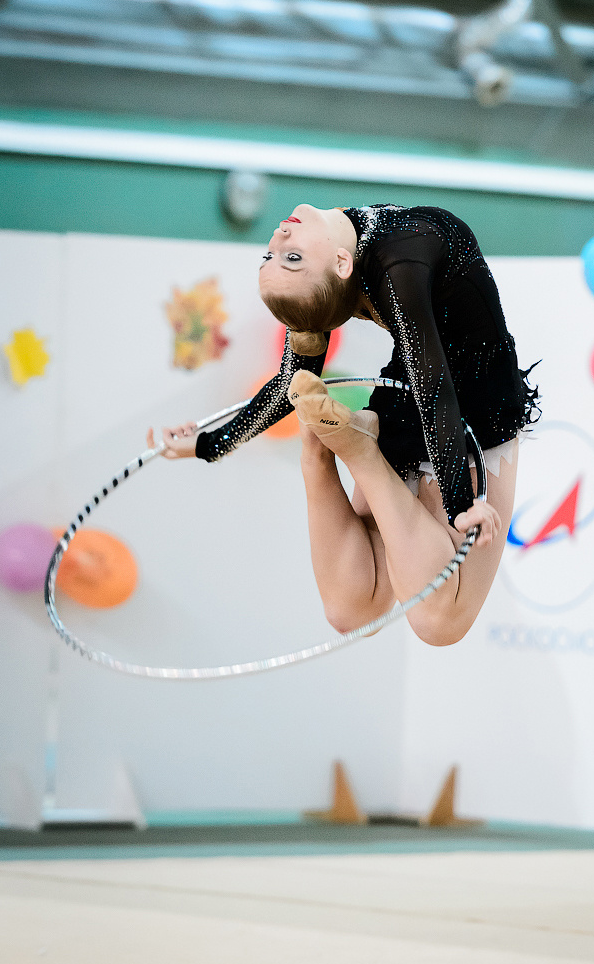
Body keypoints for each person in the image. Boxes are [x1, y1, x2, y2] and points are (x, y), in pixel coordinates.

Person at [148, 203, 538, 646]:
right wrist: (207, 444)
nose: (277, 242)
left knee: (356, 609)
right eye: (286, 257)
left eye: (273, 256)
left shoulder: (392, 254)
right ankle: (350, 454)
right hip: (463, 415)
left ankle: (324, 449)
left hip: (447, 410)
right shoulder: (370, 262)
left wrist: (458, 502)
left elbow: (430, 382)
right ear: (340, 264)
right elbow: (295, 384)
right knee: (426, 621)